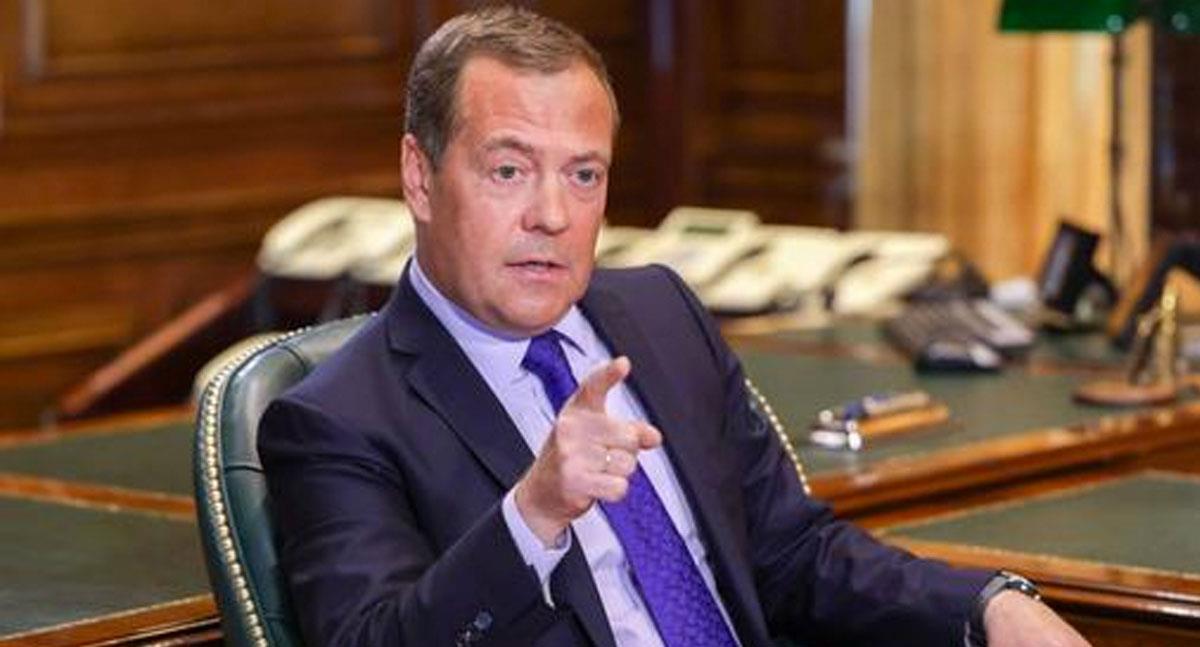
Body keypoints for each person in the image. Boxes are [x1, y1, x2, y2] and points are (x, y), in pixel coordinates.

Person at [258, 6, 1091, 647]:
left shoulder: (660, 313)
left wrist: (989, 605)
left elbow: (791, 554)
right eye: (509, 170)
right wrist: (533, 514)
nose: (552, 214)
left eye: (584, 175)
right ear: (420, 176)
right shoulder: (336, 418)